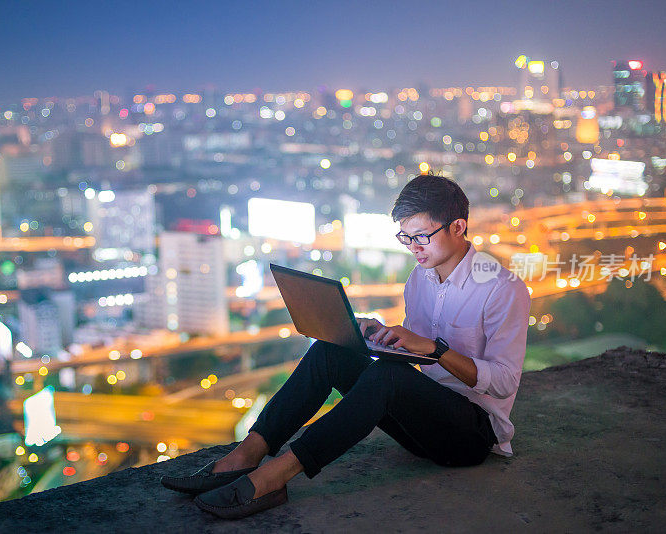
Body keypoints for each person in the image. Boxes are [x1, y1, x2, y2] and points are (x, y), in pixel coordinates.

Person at [161, 174, 531, 519]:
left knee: (387, 377)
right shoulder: (420, 279)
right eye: (405, 237)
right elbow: (413, 354)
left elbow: (504, 382)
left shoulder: (502, 288)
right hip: (421, 424)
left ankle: (275, 477)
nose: (413, 248)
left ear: (458, 227)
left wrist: (436, 349)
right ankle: (246, 455)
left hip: (472, 436)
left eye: (421, 236)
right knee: (330, 351)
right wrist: (375, 337)